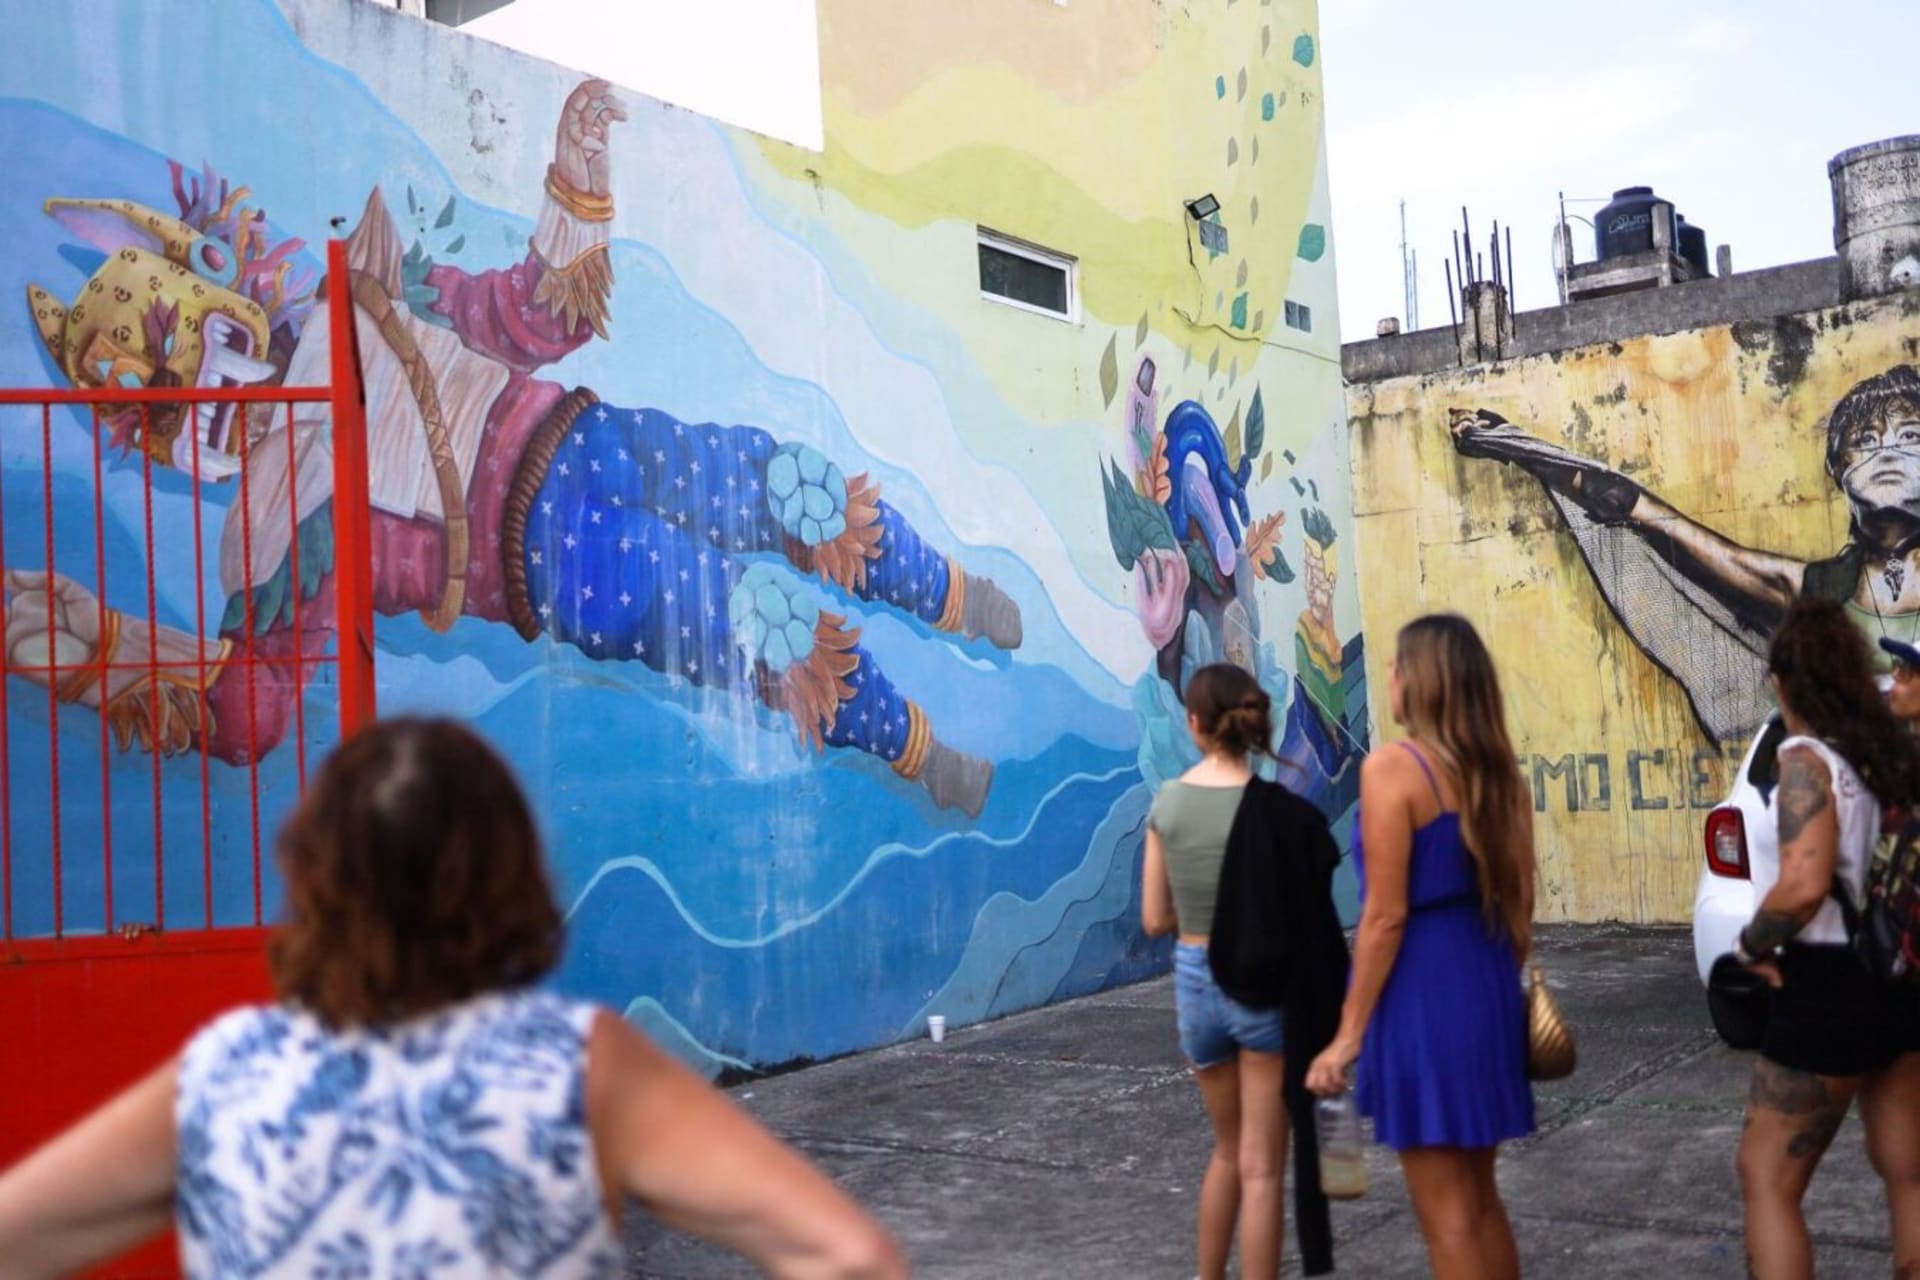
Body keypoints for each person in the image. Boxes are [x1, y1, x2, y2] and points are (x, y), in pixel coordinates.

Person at [0, 718, 907, 1280]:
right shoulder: (577, 1067)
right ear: (510, 874)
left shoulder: (221, 1076)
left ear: (312, 878)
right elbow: (851, 1256)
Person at [1446, 366, 1920, 743]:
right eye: (1866, 440)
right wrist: (1516, 446)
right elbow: (1635, 507)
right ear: (1836, 466)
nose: (1887, 454)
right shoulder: (1810, 589)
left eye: (1909, 436)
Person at [1305, 614, 1535, 1280]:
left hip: (1422, 995)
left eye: (1396, 666)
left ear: (1420, 680)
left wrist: (1347, 1036)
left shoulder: (1393, 768)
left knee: (1447, 1218)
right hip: (1487, 980)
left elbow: (1384, 917)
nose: (1388, 677)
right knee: (1481, 1200)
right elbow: (1520, 909)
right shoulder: (1501, 778)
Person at [1730, 602, 1920, 1280]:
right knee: (1908, 1171)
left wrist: (1750, 945)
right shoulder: (1887, 757)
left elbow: (1804, 883)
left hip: (1826, 988)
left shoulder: (1807, 758)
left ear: (1785, 682)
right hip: (1898, 977)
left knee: (1766, 1176)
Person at [1141, 663, 1291, 1280]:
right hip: (1259, 978)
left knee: (1228, 1150)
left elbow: (1155, 918)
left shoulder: (1169, 802)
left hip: (1195, 979)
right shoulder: (1272, 808)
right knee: (1263, 1166)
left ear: (1195, 724)